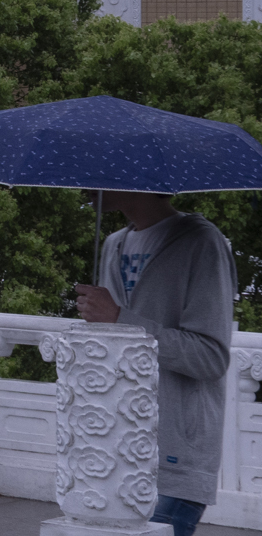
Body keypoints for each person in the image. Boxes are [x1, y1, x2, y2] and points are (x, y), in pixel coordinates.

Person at [74, 190, 235, 536]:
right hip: (114, 452)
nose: (85, 185)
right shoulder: (114, 244)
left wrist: (120, 318)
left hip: (174, 458)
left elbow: (210, 357)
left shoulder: (201, 242)